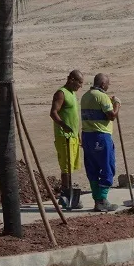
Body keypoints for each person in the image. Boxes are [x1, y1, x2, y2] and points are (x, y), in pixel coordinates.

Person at [80, 73, 120, 212]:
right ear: (103, 84)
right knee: (107, 166)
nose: (108, 87)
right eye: (108, 84)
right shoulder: (101, 96)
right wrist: (117, 105)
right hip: (101, 136)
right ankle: (102, 199)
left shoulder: (85, 96)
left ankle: (97, 199)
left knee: (92, 168)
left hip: (87, 136)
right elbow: (112, 116)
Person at [50, 70, 84, 208]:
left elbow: (74, 117)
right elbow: (53, 113)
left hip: (73, 136)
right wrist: (63, 126)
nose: (80, 86)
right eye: (79, 82)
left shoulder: (73, 94)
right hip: (64, 137)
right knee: (66, 167)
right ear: (71, 79)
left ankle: (69, 193)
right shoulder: (61, 93)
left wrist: (78, 135)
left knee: (71, 166)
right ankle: (65, 194)